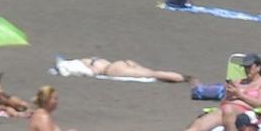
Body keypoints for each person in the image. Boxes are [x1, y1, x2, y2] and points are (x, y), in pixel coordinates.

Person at [154, 54, 261, 131]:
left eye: (249, 67)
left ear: (258, 67)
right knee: (200, 123)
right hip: (227, 110)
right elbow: (224, 100)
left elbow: (260, 103)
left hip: (249, 112)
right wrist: (229, 95)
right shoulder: (238, 81)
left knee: (228, 109)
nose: (246, 70)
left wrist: (239, 95)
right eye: (245, 67)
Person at [59, 56, 192, 84]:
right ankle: (179, 78)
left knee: (152, 74)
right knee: (149, 72)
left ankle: (183, 78)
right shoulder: (86, 59)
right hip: (118, 62)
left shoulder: (81, 65)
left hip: (112, 70)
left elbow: (92, 72)